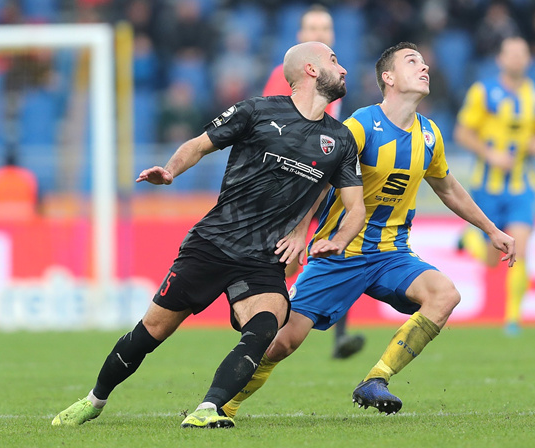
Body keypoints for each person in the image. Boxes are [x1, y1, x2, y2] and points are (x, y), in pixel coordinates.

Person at [51, 41, 366, 429]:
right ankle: (94, 399)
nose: (344, 68)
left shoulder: (341, 139)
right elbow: (198, 145)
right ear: (311, 71)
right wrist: (169, 171)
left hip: (264, 256)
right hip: (214, 242)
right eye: (335, 60)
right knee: (152, 331)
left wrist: (337, 238)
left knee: (266, 325)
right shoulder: (258, 110)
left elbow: (356, 207)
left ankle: (207, 409)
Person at [219, 42, 516, 420]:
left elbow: (448, 187)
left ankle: (376, 379)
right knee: (282, 343)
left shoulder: (430, 135)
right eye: (413, 62)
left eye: (425, 63)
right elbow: (320, 178)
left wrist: (491, 229)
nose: (424, 68)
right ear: (388, 78)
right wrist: (297, 232)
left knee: (445, 295)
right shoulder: (362, 124)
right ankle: (223, 404)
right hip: (340, 254)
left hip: (392, 254)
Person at [262, 3, 363, 360]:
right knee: (288, 257)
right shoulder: (284, 74)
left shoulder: (335, 78)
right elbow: (271, 122)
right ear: (300, 37)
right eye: (313, 28)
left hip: (322, 181)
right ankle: (263, 320)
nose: (320, 34)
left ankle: (338, 333)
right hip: (295, 182)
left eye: (326, 28)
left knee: (338, 246)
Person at [454, 37, 535, 336]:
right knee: (492, 259)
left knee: (519, 248)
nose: (517, 58)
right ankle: (469, 242)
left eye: (523, 53)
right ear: (500, 59)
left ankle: (512, 320)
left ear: (528, 59)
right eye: (511, 53)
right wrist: (490, 154)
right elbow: (462, 133)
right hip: (488, 185)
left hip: (522, 185)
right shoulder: (483, 92)